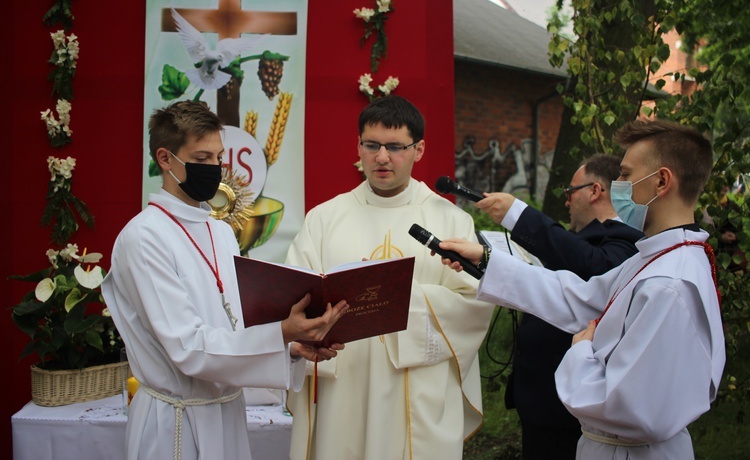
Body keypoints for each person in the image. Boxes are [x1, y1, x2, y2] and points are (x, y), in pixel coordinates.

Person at [441, 119, 725, 459]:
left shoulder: (669, 285)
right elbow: (579, 296)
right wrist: (487, 261)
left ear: (661, 181)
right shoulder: (658, 259)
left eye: (624, 174)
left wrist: (580, 352)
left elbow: (627, 407)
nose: (616, 186)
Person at [102, 100, 348, 460]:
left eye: (218, 158)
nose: (214, 169)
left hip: (226, 411)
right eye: (201, 159)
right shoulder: (144, 237)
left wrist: (291, 349)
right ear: (166, 159)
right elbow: (187, 347)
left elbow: (231, 327)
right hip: (174, 424)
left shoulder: (220, 232)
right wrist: (281, 332)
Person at [285, 95, 495, 459]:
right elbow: (295, 299)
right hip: (342, 387)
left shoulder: (449, 220)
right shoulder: (324, 218)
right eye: (372, 145)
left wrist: (397, 299)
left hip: (416, 391)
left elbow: (473, 304)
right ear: (359, 147)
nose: (382, 157)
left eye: (395, 147)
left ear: (419, 149)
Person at [477, 154, 643, 459]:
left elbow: (593, 267)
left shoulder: (627, 239)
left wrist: (518, 214)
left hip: (566, 403)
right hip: (539, 394)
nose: (567, 201)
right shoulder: (579, 239)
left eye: (571, 192)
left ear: (595, 191)